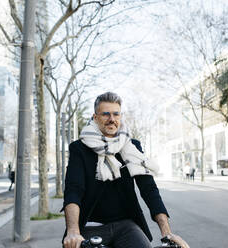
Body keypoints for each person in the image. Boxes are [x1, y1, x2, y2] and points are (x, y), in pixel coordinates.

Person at [62, 92, 189, 248]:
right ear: (95, 118)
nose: (112, 119)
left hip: (126, 226)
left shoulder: (131, 146)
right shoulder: (79, 148)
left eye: (116, 114)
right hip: (91, 226)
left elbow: (149, 189)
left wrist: (166, 232)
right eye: (105, 114)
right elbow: (74, 190)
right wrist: (73, 231)